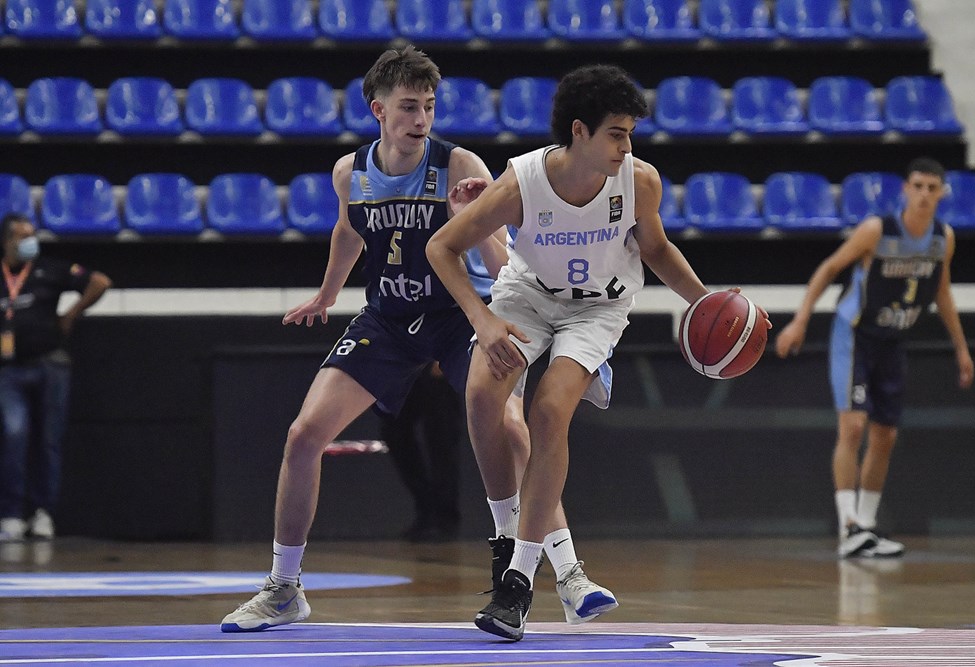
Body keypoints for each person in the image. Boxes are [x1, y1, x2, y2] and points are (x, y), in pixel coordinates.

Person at [220, 46, 612, 633]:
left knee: (512, 426)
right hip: (388, 319)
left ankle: (568, 572)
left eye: (429, 106)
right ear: (377, 109)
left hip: (462, 314)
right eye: (408, 106)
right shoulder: (350, 172)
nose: (421, 118)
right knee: (303, 435)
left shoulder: (459, 165)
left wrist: (470, 222)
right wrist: (327, 295)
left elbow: (506, 264)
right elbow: (348, 232)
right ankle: (284, 588)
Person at [427, 64, 749, 641]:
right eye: (617, 134)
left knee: (550, 411)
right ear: (579, 131)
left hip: (596, 308)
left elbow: (656, 249)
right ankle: (504, 536)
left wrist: (709, 304)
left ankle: (518, 581)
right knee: (479, 394)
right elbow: (441, 247)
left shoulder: (639, 182)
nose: (627, 147)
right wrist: (483, 319)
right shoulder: (522, 183)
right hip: (527, 298)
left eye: (630, 135)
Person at [775, 157, 974, 559]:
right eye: (917, 186)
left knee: (885, 435)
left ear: (942, 194)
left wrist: (961, 348)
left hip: (893, 340)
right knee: (853, 426)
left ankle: (866, 528)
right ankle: (848, 526)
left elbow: (942, 292)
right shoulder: (876, 230)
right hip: (855, 334)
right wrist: (800, 320)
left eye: (932, 188)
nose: (924, 194)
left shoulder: (943, 238)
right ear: (905, 189)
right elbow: (829, 268)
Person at [0, 213, 112, 542]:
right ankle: (12, 513)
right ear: (7, 241)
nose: (30, 241)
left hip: (50, 365)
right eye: (23, 236)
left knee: (49, 440)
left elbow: (100, 282)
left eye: (32, 234)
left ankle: (43, 512)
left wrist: (71, 314)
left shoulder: (49, 268)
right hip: (9, 369)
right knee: (14, 434)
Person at [376, 361, 463, 542]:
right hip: (406, 364)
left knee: (441, 439)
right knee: (394, 431)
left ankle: (444, 518)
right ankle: (426, 507)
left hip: (437, 363)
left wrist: (442, 359)